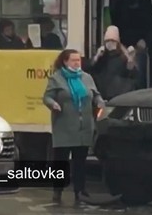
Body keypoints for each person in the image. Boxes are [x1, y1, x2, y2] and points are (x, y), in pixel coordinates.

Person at [43, 49, 105, 205]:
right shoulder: (57, 78)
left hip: (84, 127)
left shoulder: (86, 78)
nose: (77, 63)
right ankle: (57, 191)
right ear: (65, 61)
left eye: (78, 60)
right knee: (61, 162)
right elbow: (47, 97)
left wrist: (99, 102)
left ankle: (80, 192)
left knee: (80, 162)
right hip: (64, 126)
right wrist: (53, 104)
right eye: (74, 60)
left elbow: (95, 94)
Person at [89, 25, 139, 101]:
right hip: (103, 95)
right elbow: (91, 70)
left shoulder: (124, 56)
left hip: (120, 95)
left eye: (112, 41)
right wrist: (97, 57)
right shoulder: (101, 57)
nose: (110, 43)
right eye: (107, 41)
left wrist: (130, 60)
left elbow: (132, 74)